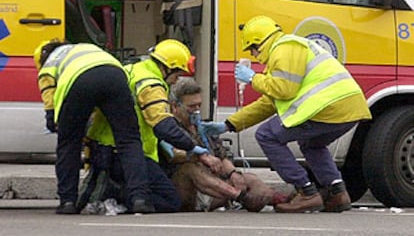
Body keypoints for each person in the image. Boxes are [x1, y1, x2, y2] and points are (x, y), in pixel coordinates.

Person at [199, 15, 372, 213]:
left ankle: (306, 192)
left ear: (258, 43)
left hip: (328, 108)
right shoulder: (289, 51)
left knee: (267, 135)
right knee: (312, 144)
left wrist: (254, 78)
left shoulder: (284, 48)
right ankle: (337, 193)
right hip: (348, 108)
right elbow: (270, 102)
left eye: (252, 50)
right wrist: (229, 124)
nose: (254, 55)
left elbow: (284, 90)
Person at [80, 39, 216, 213]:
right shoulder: (151, 83)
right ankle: (111, 194)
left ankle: (109, 191)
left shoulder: (133, 69)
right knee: (170, 200)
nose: (176, 80)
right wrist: (192, 146)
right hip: (127, 153)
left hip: (105, 148)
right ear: (167, 67)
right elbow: (162, 125)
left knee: (156, 193)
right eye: (177, 74)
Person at [33, 40, 153, 214]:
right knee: (129, 141)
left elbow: (49, 95)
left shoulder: (50, 64)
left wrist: (52, 119)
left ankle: (68, 202)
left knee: (69, 145)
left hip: (80, 82)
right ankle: (140, 199)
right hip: (115, 76)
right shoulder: (87, 49)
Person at [158, 77, 288, 212]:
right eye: (191, 106)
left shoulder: (202, 127)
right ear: (175, 106)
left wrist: (233, 174)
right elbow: (173, 154)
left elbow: (221, 154)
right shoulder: (168, 127)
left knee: (250, 179)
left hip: (213, 187)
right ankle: (240, 197)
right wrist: (200, 156)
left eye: (199, 105)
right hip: (187, 189)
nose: (197, 110)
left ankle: (279, 200)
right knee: (190, 169)